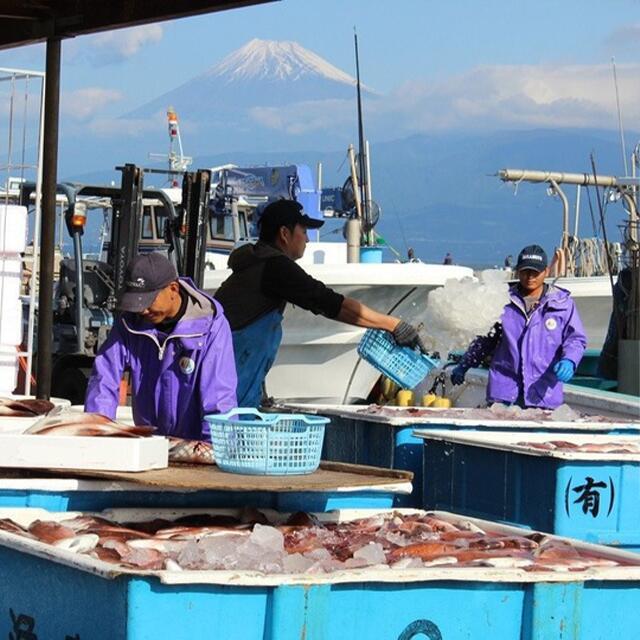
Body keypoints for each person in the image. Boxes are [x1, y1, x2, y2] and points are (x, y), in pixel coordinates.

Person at [214, 199, 427, 408]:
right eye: (304, 231)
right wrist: (393, 325)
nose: (307, 240)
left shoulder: (255, 265)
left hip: (225, 384)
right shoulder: (274, 267)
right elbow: (332, 304)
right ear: (284, 234)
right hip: (227, 393)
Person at [85, 252, 237, 440]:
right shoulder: (129, 323)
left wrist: (215, 449)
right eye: (137, 303)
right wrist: (97, 433)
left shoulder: (212, 327)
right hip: (149, 442)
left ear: (173, 289)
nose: (143, 310)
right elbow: (104, 379)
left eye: (148, 302)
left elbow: (219, 396)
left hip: (196, 444)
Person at [450, 244, 587, 409]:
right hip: (504, 392)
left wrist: (569, 360)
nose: (530, 277)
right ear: (518, 271)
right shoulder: (502, 301)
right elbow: (485, 340)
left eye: (535, 272)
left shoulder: (563, 304)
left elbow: (575, 339)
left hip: (543, 393)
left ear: (546, 272)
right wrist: (465, 365)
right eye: (525, 271)